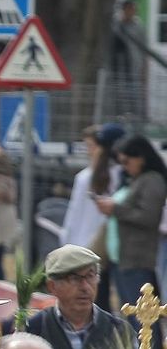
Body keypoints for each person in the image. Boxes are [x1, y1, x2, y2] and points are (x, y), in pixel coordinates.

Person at [97, 133, 167, 313]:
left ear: (141, 158)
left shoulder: (152, 180)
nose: (124, 167)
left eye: (127, 162)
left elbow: (149, 217)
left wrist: (116, 209)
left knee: (143, 314)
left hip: (137, 259)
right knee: (130, 311)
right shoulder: (135, 180)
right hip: (121, 258)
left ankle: (149, 342)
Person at [61, 124, 126, 301]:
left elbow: (74, 215)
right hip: (114, 244)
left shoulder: (85, 177)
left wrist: (66, 242)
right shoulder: (122, 176)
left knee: (97, 297)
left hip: (87, 245)